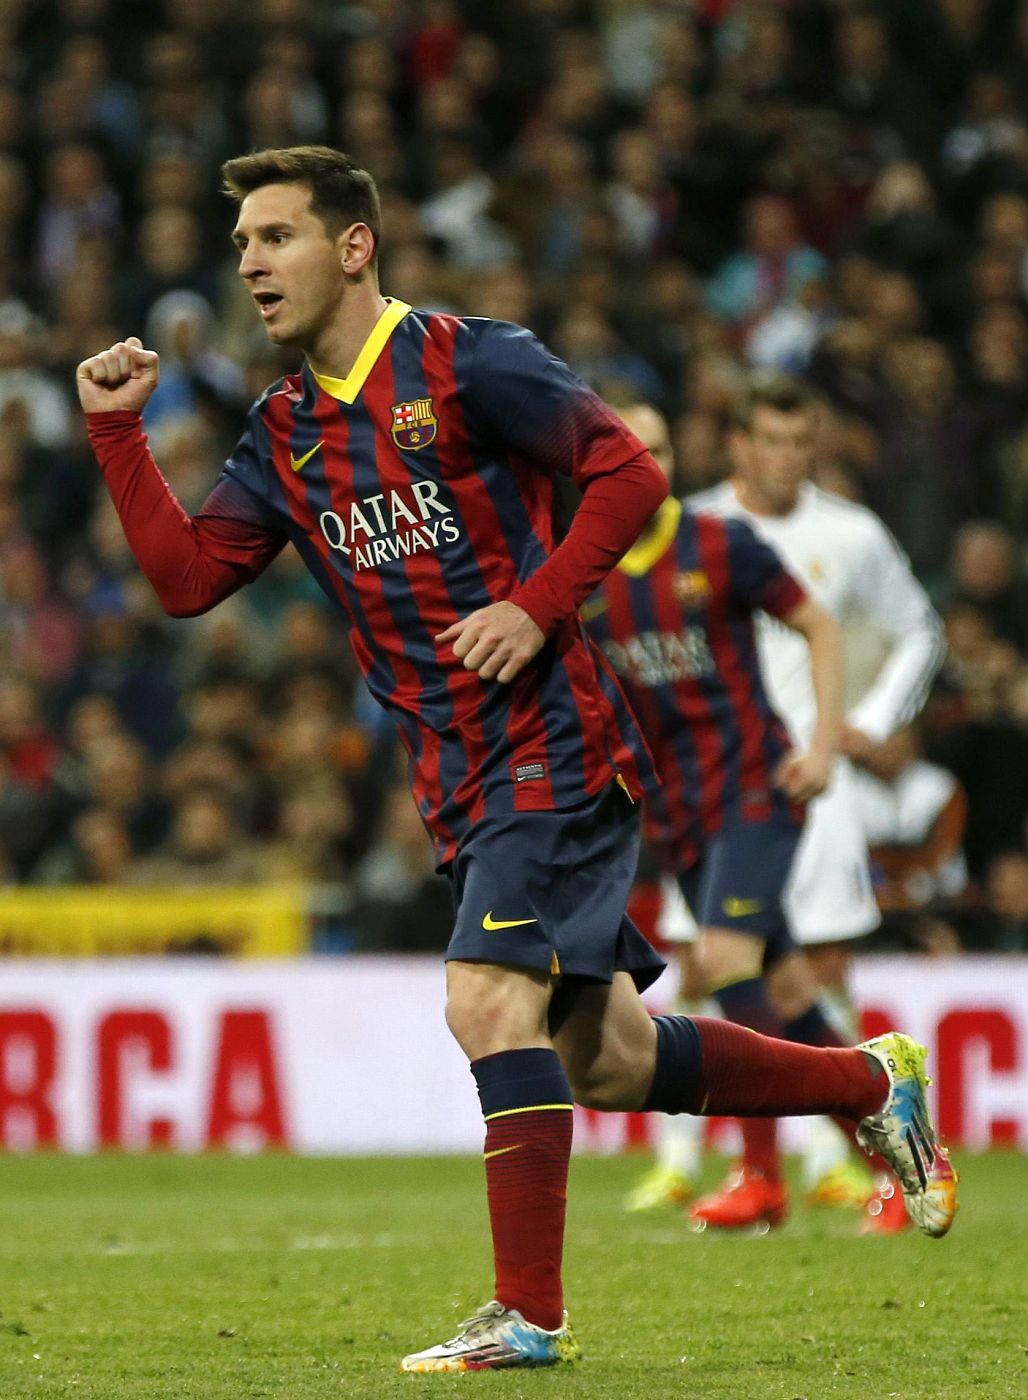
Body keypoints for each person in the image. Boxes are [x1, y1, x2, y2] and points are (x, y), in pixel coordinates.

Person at [76, 146, 956, 1374]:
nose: (250, 265)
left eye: (273, 237)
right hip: (454, 776)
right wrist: (114, 437)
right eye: (240, 246)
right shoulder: (284, 431)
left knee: (484, 999)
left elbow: (628, 472)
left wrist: (536, 604)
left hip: (552, 739)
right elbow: (185, 580)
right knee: (606, 1058)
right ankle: (869, 1083)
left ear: (351, 246)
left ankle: (526, 1313)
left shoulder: (468, 359)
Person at [584, 402, 895, 1231]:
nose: (640, 466)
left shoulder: (721, 546)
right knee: (783, 991)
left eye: (655, 448)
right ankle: (896, 1147)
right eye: (623, 451)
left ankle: (762, 1178)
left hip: (756, 791)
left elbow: (818, 626)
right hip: (679, 812)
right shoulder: (581, 572)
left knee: (723, 959)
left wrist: (825, 746)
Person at [691, 372, 947, 1231]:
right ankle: (876, 1159)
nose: (788, 459)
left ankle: (801, 1171)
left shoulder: (851, 533)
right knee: (753, 974)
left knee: (797, 972)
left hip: (814, 783)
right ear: (737, 444)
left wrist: (863, 724)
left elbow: (921, 628)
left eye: (802, 443)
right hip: (718, 789)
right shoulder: (695, 529)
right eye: (770, 440)